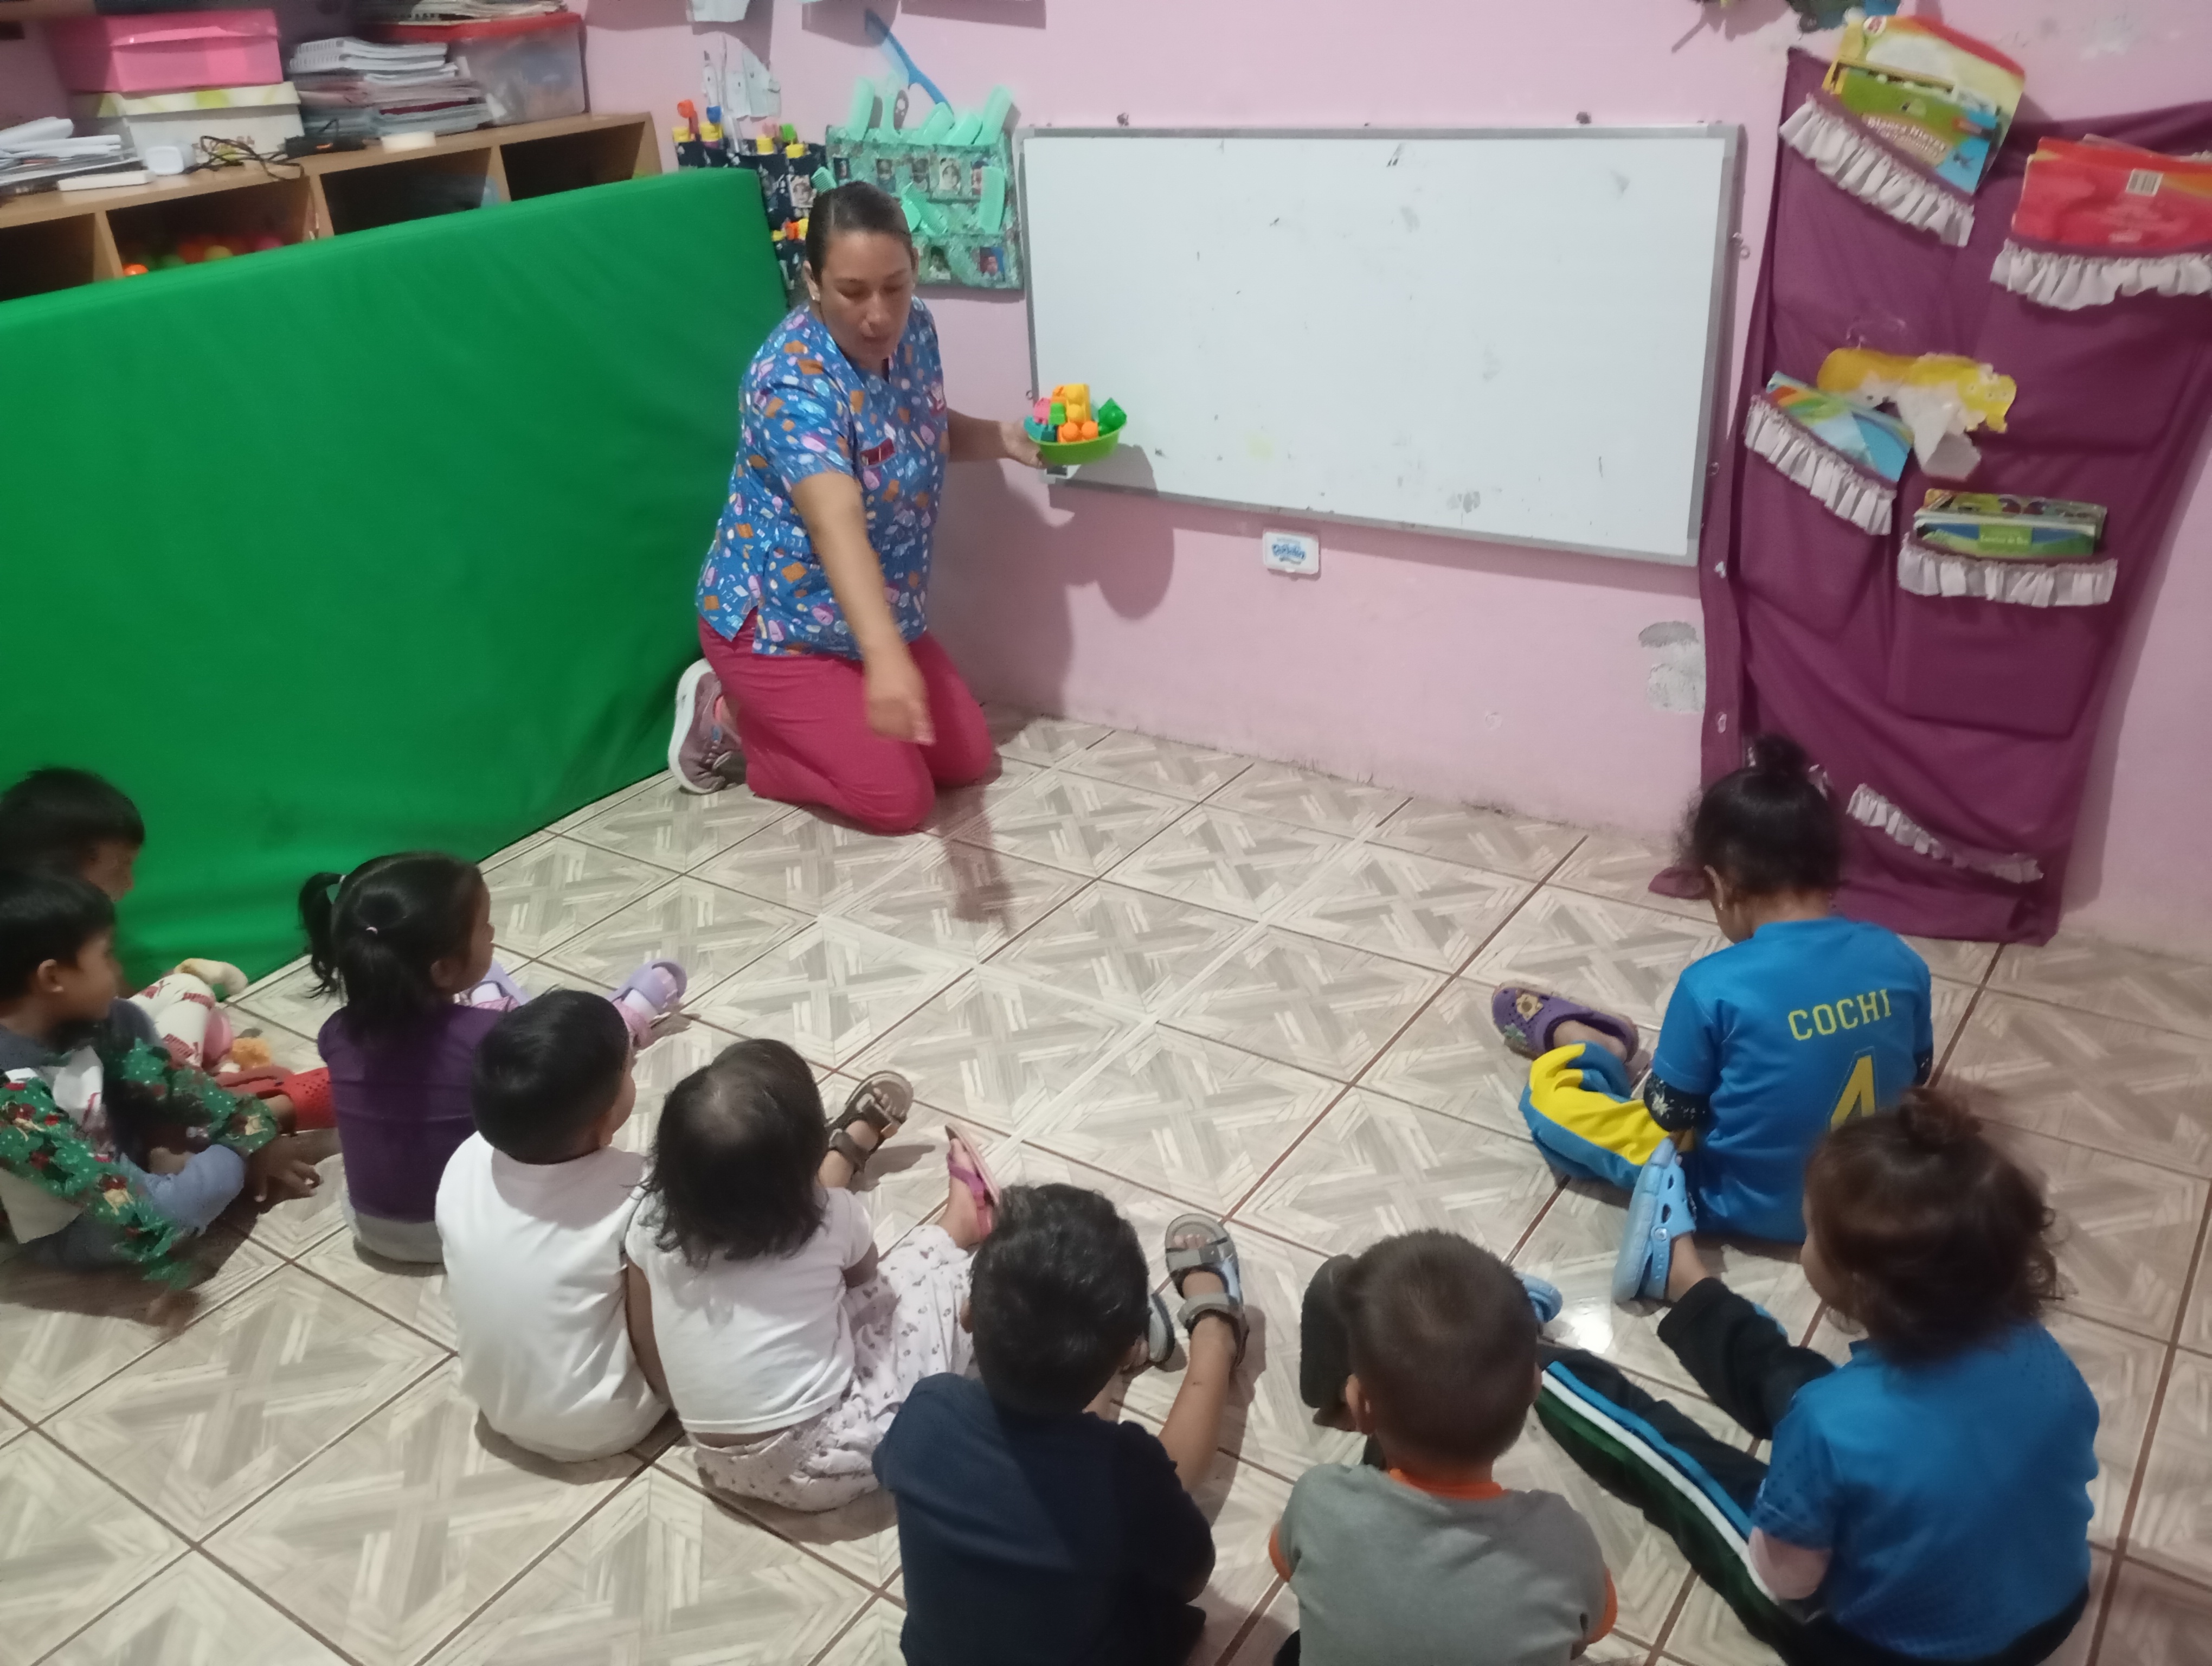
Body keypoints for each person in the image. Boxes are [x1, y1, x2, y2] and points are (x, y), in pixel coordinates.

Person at [1536, 1089, 2095, 1666]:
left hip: (1888, 1654)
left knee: (1686, 1473)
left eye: (1809, 1232)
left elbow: (1786, 1578)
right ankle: (1687, 1283)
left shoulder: (1828, 1421)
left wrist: (1791, 1502)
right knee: (1824, 1404)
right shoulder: (2043, 1354)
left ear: (1859, 1285)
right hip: (2056, 1608)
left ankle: (1532, 1361)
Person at [1491, 733, 1932, 1300]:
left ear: (1721, 885)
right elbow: (1918, 1072)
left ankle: (1591, 1049)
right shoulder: (1899, 957)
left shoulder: (1712, 986)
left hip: (1739, 1200)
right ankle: (1596, 1046)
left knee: (1551, 1104)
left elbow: (1669, 1112)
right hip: (1873, 1201)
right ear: (1831, 873)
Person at [667, 181, 1041, 835]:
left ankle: (828, 704)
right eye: (852, 292)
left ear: (914, 268)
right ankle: (727, 717)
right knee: (896, 801)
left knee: (966, 761)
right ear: (812, 281)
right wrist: (886, 655)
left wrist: (1009, 439)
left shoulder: (914, 330)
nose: (878, 316)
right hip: (776, 626)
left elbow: (916, 428)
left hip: (871, 614)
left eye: (895, 287)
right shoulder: (793, 382)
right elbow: (833, 521)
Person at [874, 1186, 1250, 1666]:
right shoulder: (1124, 1473)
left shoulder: (928, 1410)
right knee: (1136, 1499)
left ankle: (1102, 1367)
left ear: (968, 1314)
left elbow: (893, 1467)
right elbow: (1191, 1577)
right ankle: (1216, 1334)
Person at [622, 1038, 997, 1509]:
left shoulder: (649, 1222)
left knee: (846, 1306)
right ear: (807, 1161)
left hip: (715, 1457)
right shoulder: (831, 1215)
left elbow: (646, 1335)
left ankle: (948, 1222)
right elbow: (868, 1282)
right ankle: (961, 1228)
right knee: (932, 1297)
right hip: (829, 1454)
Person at [301, 853, 683, 1264]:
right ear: (444, 970)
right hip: (464, 1229)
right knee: (568, 1078)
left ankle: (492, 999)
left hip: (371, 1229)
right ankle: (626, 1019)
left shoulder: (336, 1032)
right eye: (484, 927)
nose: (492, 932)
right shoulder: (485, 1039)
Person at [1271, 1232, 1615, 1666]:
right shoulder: (1562, 1542)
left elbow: (1287, 1566)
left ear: (1359, 1408)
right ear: (1533, 1387)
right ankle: (1504, 1333)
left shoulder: (1319, 1500)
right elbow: (1590, 1632)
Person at [0, 869, 318, 1278]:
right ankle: (270, 1117)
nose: (117, 968)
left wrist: (259, 1137)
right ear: (53, 978)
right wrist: (170, 1271)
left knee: (136, 1028)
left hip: (117, 1148)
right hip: (75, 1219)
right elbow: (108, 1200)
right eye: (106, 955)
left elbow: (175, 1083)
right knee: (176, 1210)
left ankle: (256, 1119)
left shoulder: (100, 1019)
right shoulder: (12, 1095)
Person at [0, 766, 330, 1118]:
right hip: (79, 1104)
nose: (129, 883)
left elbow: (113, 1009)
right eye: (120, 867)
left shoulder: (64, 946)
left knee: (179, 993)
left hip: (94, 1059)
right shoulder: (22, 1095)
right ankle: (205, 1099)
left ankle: (194, 1092)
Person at [436, 991, 667, 1461]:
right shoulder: (639, 1191)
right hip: (607, 1424)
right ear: (604, 1124)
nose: (633, 1075)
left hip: (497, 1406)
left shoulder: (466, 1158)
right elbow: (649, 1328)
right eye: (629, 1070)